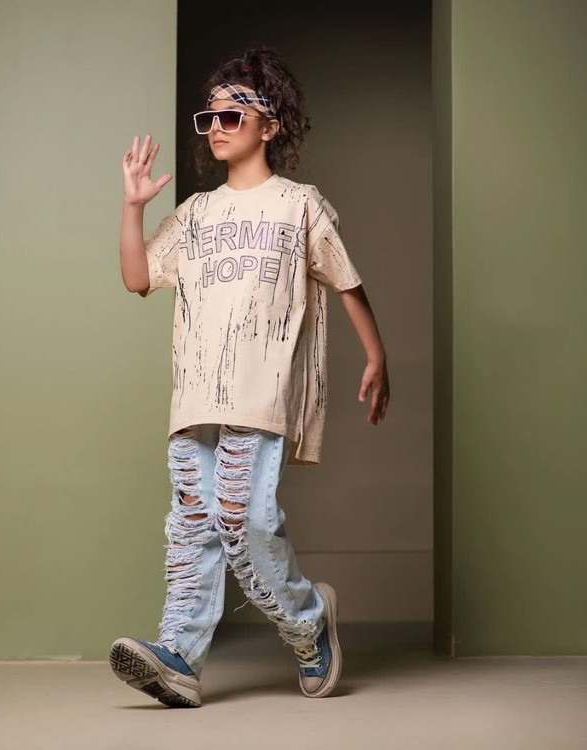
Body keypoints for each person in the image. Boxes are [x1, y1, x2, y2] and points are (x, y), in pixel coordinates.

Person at [110, 46, 390, 708]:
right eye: (209, 117)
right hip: (194, 397)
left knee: (243, 518)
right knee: (193, 524)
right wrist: (133, 208)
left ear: (271, 125)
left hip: (259, 394)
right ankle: (179, 655)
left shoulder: (299, 205)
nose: (217, 126)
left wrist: (377, 356)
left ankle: (308, 621)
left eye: (232, 115)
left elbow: (346, 281)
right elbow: (137, 277)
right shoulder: (196, 213)